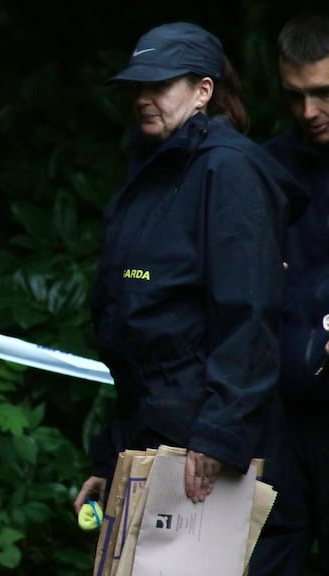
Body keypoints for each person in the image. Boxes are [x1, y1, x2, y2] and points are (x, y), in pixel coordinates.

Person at [73, 21, 299, 521]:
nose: (143, 98)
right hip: (152, 434)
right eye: (138, 85)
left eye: (160, 84)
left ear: (203, 92)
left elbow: (248, 313)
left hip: (204, 449)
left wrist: (219, 433)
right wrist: (110, 457)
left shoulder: (229, 170)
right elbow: (138, 328)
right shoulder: (152, 169)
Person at [247, 12, 329, 575]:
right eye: (295, 96)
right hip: (275, 421)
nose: (309, 112)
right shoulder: (266, 167)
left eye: (324, 93)